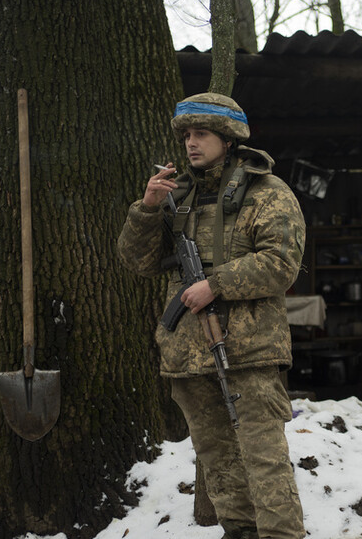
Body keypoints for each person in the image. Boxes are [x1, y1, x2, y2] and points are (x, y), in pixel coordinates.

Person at [117, 92, 306, 539]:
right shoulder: (177, 194)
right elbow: (138, 262)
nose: (190, 143)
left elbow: (282, 263)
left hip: (249, 350)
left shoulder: (267, 192)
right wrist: (147, 208)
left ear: (227, 137)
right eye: (186, 135)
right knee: (217, 457)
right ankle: (239, 531)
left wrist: (215, 285)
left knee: (264, 458)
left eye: (200, 133)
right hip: (188, 352)